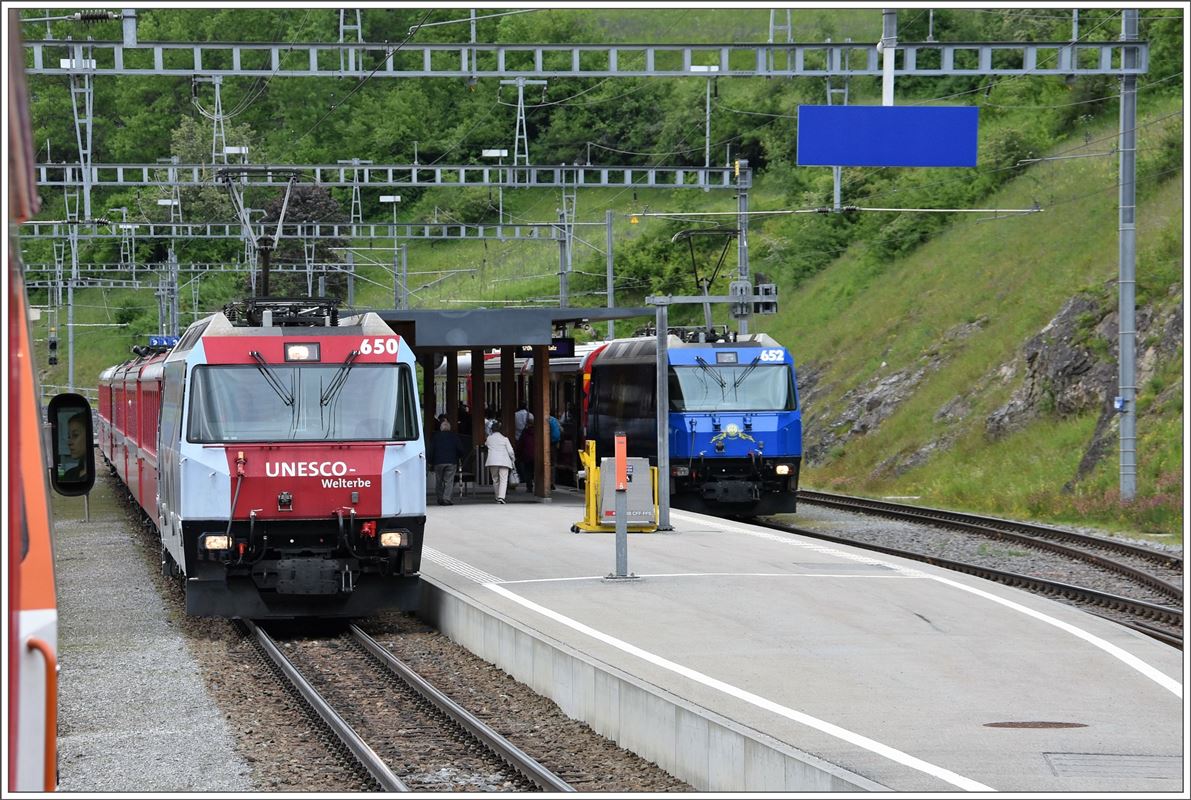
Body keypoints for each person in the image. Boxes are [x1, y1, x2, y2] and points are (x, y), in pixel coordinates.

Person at [429, 419, 466, 506]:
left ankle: (440, 498)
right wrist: (460, 456)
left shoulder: (435, 437)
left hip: (438, 462)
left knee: (439, 481)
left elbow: (431, 450)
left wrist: (430, 461)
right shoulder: (454, 436)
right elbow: (460, 449)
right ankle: (446, 498)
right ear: (449, 428)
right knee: (449, 481)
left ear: (441, 428)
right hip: (451, 461)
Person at [483, 420, 516, 504]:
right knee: (503, 479)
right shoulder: (505, 439)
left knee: (495, 479)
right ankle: (501, 497)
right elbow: (511, 451)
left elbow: (486, 444)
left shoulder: (489, 439)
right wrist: (513, 459)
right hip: (504, 461)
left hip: (493, 461)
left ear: (492, 430)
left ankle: (497, 496)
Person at [61, 412, 89, 482]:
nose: (69, 442)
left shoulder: (87, 477)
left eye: (75, 435)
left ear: (89, 436)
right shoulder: (69, 474)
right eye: (69, 437)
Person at [515, 421, 536, 494]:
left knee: (528, 472)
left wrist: (518, 455)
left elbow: (520, 445)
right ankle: (539, 487)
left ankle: (529, 487)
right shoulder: (538, 432)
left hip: (527, 455)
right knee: (537, 471)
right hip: (537, 455)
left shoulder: (525, 433)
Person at [547, 408, 561, 490]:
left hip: (550, 443)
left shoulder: (546, 420)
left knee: (547, 463)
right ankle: (552, 482)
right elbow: (561, 429)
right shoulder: (555, 420)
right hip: (555, 443)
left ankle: (548, 482)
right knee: (553, 464)